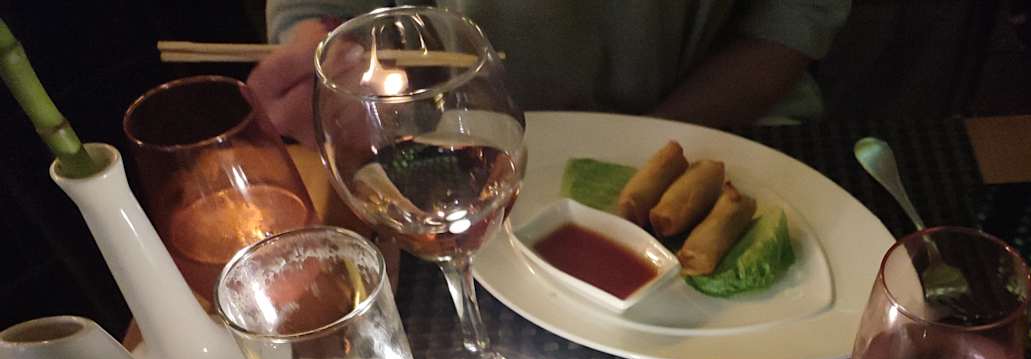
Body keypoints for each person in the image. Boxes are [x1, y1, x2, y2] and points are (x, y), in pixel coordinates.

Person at [249, 0, 851, 146]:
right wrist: (327, 58)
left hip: (733, 128)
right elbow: (322, 15)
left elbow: (791, 22)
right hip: (454, 146)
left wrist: (634, 148)